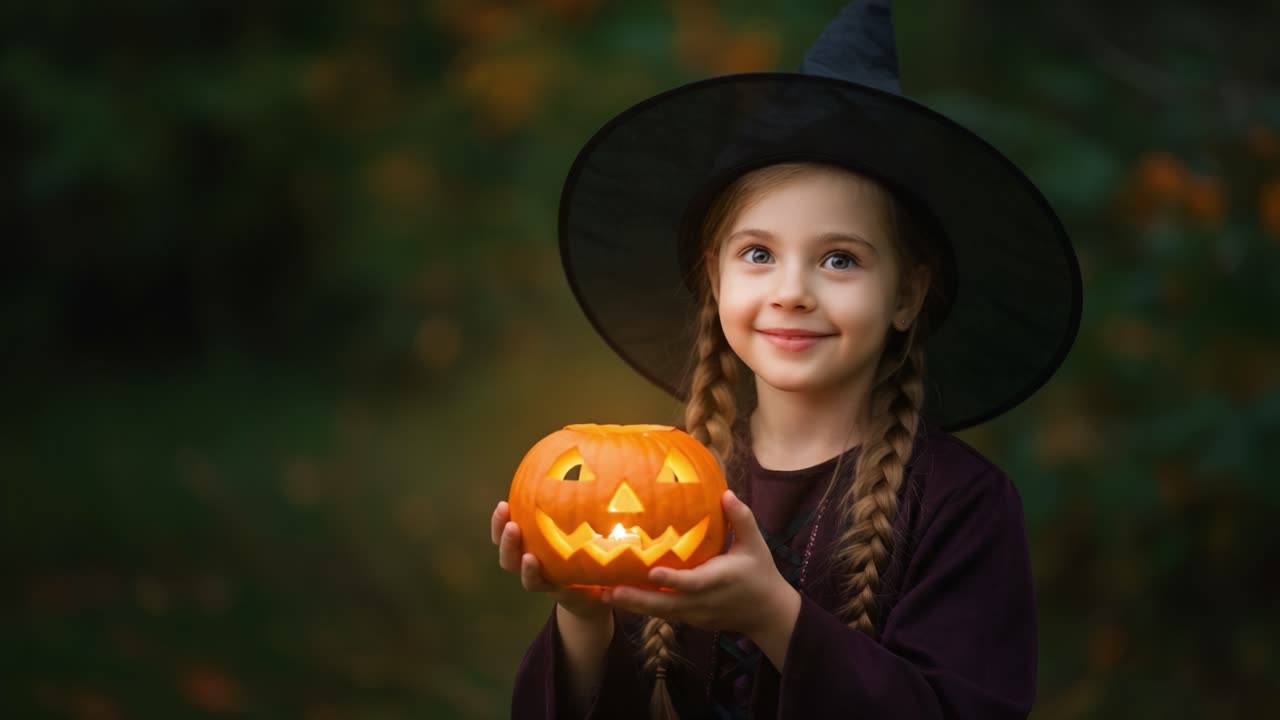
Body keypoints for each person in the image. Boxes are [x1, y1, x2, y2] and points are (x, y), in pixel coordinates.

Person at [491, 1, 1082, 718]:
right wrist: (584, 612)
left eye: (840, 259)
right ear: (715, 276)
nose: (792, 292)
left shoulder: (962, 505)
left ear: (907, 295)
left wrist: (774, 616)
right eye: (758, 254)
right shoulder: (666, 487)